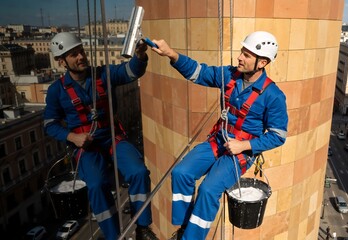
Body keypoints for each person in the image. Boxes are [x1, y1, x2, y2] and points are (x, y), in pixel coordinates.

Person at [150, 31, 288, 239]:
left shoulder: (273, 96)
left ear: (262, 63)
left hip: (240, 153)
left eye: (247, 55)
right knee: (181, 173)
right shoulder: (229, 76)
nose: (240, 57)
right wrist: (171, 54)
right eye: (242, 52)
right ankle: (184, 227)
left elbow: (278, 136)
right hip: (219, 141)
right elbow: (199, 72)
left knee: (208, 190)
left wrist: (244, 147)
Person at [44, 32, 157, 240]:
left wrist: (140, 57)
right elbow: (49, 124)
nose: (81, 57)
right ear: (62, 62)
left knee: (139, 172)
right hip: (86, 146)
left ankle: (142, 227)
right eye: (73, 55)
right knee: (96, 186)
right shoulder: (56, 91)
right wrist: (72, 137)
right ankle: (113, 236)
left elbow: (130, 72)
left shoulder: (103, 74)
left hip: (111, 136)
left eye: (81, 52)